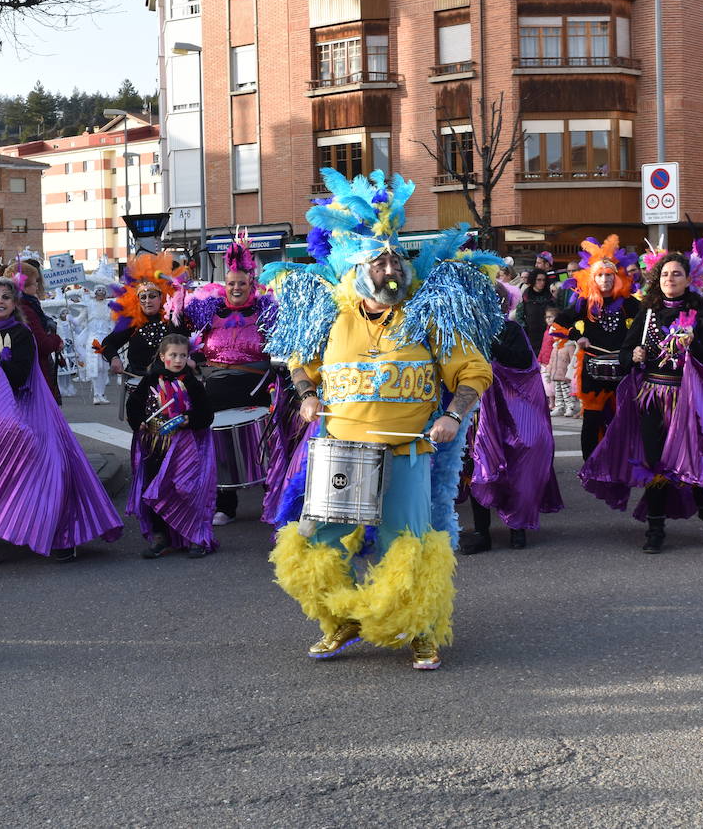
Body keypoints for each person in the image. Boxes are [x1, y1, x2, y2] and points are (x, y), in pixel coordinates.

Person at [264, 169, 498, 670]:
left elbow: (474, 371)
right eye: (379, 259)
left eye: (396, 258)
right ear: (357, 269)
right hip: (343, 451)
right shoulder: (331, 316)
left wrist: (454, 416)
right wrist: (306, 394)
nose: (391, 267)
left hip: (407, 449)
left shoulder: (429, 314)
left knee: (408, 543)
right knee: (321, 545)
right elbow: (299, 363)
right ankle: (340, 621)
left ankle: (419, 632)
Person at [0, 275, 123, 568]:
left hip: (25, 413)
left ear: (14, 303)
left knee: (51, 468)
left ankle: (61, 535)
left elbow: (19, 376)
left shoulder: (21, 334)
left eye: (5, 297)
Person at [580, 253, 703, 553]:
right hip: (652, 397)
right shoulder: (648, 311)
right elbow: (626, 351)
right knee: (654, 462)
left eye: (677, 274)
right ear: (658, 279)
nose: (670, 279)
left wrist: (692, 342)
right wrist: (632, 356)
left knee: (692, 459)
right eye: (665, 274)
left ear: (688, 279)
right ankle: (655, 528)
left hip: (688, 398)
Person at [184, 232, 276, 526]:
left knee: (264, 448)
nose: (236, 288)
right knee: (219, 449)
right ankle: (225, 505)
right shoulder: (211, 311)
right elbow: (197, 348)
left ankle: (270, 499)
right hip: (217, 388)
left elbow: (279, 347)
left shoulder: (266, 310)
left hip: (255, 387)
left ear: (252, 283)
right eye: (231, 283)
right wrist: (190, 361)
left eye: (242, 283)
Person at [461, 288, 562, 554]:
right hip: (475, 414)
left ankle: (517, 526)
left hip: (509, 415)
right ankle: (481, 531)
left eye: (496, 302)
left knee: (517, 464)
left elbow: (521, 363)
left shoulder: (512, 330)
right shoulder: (462, 330)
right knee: (476, 468)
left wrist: (490, 337)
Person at [127, 334, 216, 558]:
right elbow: (134, 405)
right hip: (156, 447)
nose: (178, 360)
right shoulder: (150, 380)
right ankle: (160, 536)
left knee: (187, 490)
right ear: (162, 356)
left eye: (183, 355)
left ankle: (194, 536)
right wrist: (139, 422)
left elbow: (206, 414)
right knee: (155, 489)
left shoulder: (192, 383)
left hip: (184, 449)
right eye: (173, 355)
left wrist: (189, 419)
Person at [554, 237, 639, 459]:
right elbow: (557, 324)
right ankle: (590, 461)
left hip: (623, 366)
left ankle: (619, 458)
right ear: (593, 277)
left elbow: (647, 322)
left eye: (609, 275)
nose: (605, 279)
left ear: (616, 277)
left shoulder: (629, 302)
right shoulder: (585, 302)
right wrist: (577, 336)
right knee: (592, 418)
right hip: (592, 369)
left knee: (623, 416)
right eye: (600, 275)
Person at [96, 252, 190, 429]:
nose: (147, 301)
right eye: (143, 297)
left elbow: (190, 344)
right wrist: (114, 358)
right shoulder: (133, 323)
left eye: (152, 296)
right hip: (140, 386)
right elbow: (108, 343)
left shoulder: (174, 318)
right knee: (145, 435)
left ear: (162, 297)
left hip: (174, 389)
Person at [6, 261, 65, 404]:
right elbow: (42, 343)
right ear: (23, 287)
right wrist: (56, 340)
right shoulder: (26, 309)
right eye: (34, 283)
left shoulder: (28, 305)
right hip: (34, 369)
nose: (37, 286)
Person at [78, 284, 115, 405]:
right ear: (95, 292)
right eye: (98, 291)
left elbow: (113, 322)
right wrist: (68, 318)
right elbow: (78, 320)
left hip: (105, 339)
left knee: (104, 367)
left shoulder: (109, 306)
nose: (100, 293)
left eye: (103, 291)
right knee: (95, 366)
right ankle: (96, 395)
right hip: (94, 339)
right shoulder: (89, 306)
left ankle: (102, 394)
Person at [513, 269, 556, 350]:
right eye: (539, 280)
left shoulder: (550, 297)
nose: (542, 282)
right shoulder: (526, 296)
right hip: (530, 335)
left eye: (543, 280)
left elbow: (555, 314)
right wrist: (524, 329)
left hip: (547, 335)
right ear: (533, 280)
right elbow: (519, 316)